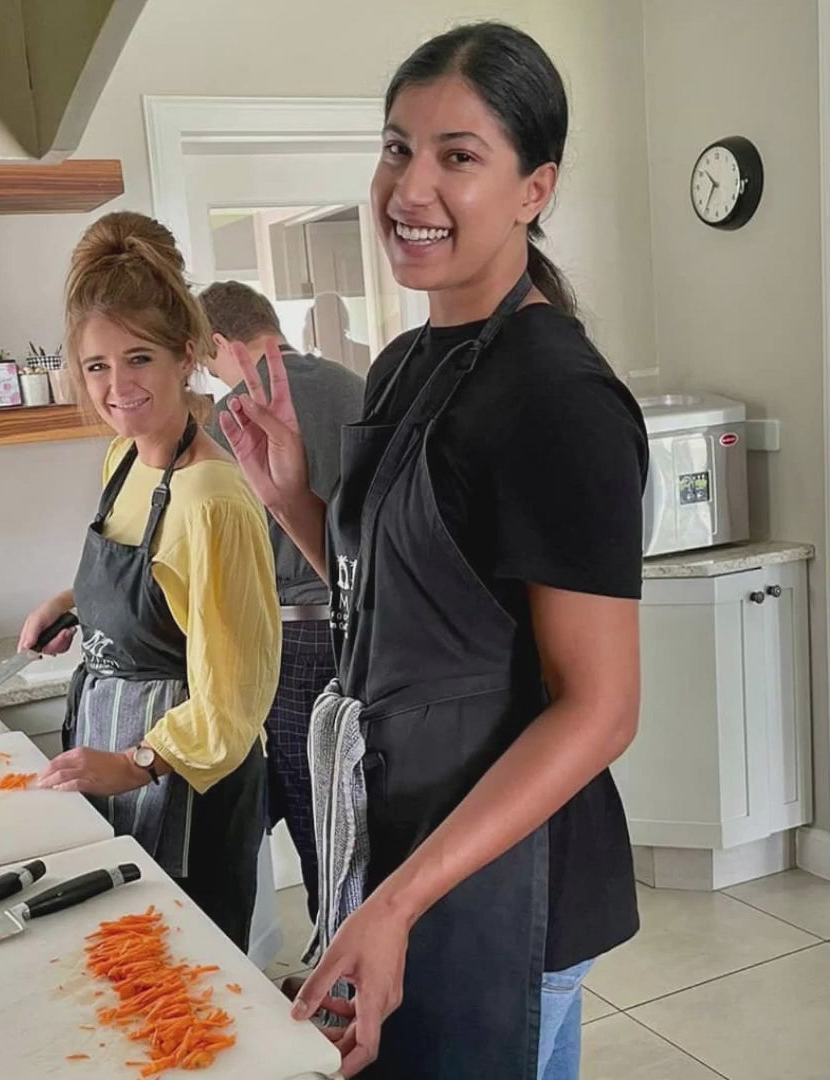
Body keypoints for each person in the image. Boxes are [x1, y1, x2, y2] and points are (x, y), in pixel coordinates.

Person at [219, 22, 647, 1080]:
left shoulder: (559, 399)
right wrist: (294, 505)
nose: (410, 187)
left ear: (533, 188)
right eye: (397, 147)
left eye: (459, 155)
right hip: (403, 842)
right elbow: (404, 610)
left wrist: (401, 899)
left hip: (511, 878)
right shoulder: (411, 357)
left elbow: (600, 709)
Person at [23, 212, 280, 952]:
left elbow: (235, 695)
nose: (116, 386)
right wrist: (73, 605)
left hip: (182, 776)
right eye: (97, 366)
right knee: (126, 961)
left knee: (191, 980)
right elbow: (157, 583)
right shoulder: (126, 459)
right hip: (111, 743)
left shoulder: (212, 498)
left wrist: (137, 764)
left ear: (186, 356)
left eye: (138, 358)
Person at [200, 280, 365, 922]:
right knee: (359, 814)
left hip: (291, 640)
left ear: (219, 342)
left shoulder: (230, 419)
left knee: (311, 814)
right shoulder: (359, 388)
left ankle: (336, 960)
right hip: (365, 629)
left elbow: (218, 555)